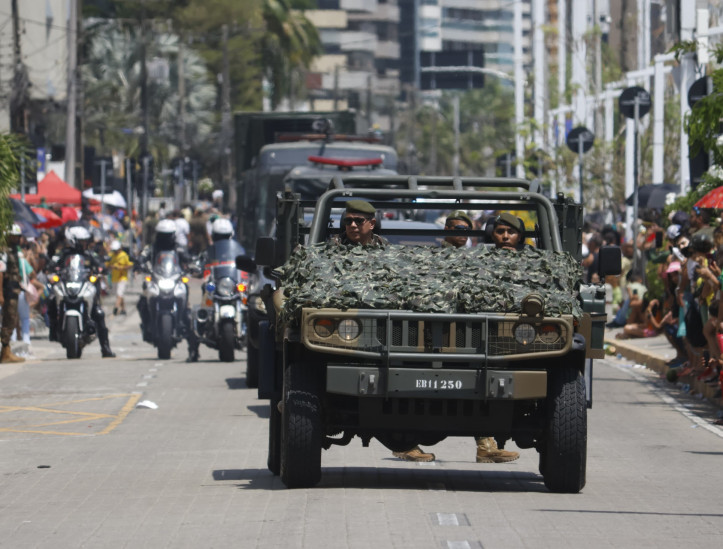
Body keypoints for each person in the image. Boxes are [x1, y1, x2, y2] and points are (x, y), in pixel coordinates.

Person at [392, 211, 520, 465]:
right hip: (432, 334)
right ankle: (404, 443)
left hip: (469, 335)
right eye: (455, 227)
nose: (461, 232)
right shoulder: (433, 256)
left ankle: (486, 445)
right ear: (446, 229)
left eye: (466, 228)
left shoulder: (478, 258)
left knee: (479, 384)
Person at [47, 225, 115, 358]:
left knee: (99, 313)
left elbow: (100, 263)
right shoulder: (63, 254)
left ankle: (105, 348)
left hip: (84, 287)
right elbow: (52, 263)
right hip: (68, 286)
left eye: (85, 240)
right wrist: (51, 268)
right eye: (82, 241)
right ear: (74, 240)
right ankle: (54, 331)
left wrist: (101, 269)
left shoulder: (89, 254)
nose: (85, 243)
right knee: (51, 301)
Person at [136, 219, 197, 359]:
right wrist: (139, 264)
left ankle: (193, 349)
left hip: (174, 279)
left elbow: (187, 258)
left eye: (168, 234)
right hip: (156, 280)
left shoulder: (178, 248)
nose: (165, 238)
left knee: (189, 314)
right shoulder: (151, 248)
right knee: (142, 302)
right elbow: (142, 257)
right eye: (163, 235)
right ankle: (148, 325)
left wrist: (193, 264)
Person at [0, 224, 26, 363]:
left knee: (12, 319)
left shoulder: (15, 250)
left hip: (14, 289)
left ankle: (6, 350)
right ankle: (5, 352)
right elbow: (1, 272)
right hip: (7, 290)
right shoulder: (4, 251)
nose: (16, 239)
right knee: (8, 319)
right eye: (14, 236)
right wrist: (0, 294)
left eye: (18, 236)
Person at [107, 240, 133, 315]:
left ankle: (116, 307)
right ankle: (123, 309)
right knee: (119, 295)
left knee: (119, 293)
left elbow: (130, 265)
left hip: (122, 278)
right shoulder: (111, 255)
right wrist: (112, 266)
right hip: (114, 278)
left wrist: (122, 268)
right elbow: (107, 264)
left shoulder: (124, 255)